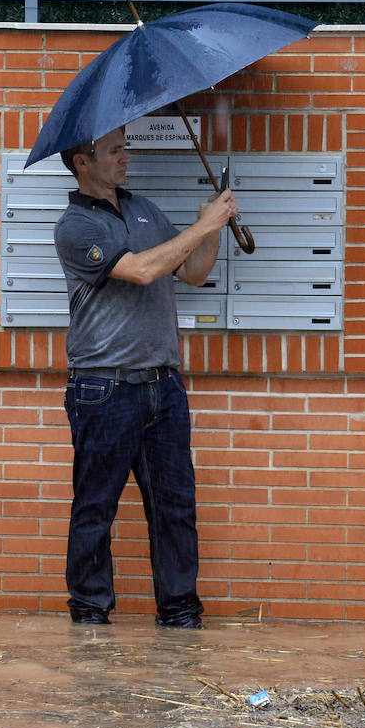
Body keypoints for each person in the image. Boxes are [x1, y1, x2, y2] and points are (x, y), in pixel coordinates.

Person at [52, 126, 239, 628]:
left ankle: (179, 610)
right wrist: (201, 227)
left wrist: (212, 224)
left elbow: (192, 272)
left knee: (175, 505)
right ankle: (90, 611)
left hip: (163, 385)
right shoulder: (74, 227)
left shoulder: (145, 210)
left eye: (125, 148)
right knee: (96, 506)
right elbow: (138, 270)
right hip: (103, 387)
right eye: (115, 151)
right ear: (82, 163)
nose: (125, 158)